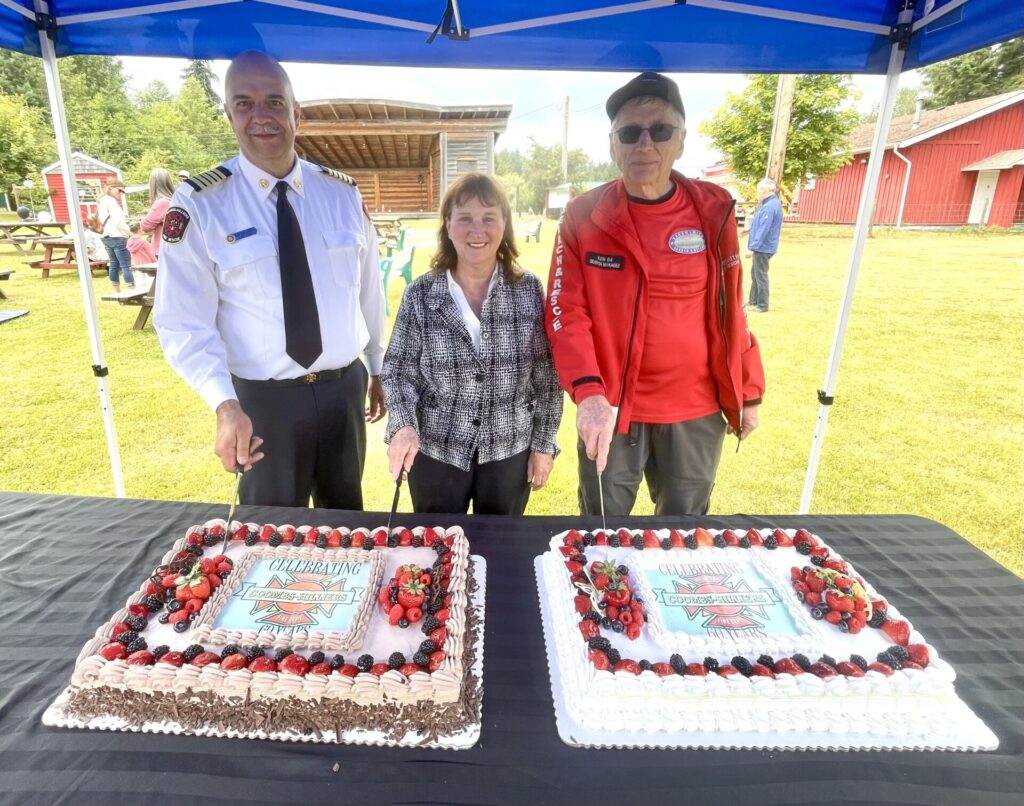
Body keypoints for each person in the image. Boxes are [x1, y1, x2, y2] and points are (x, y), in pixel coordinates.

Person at [153, 50, 387, 509]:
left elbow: (369, 289)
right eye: (244, 103)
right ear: (228, 115)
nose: (261, 115)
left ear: (297, 114)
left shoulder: (341, 194)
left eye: (274, 102)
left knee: (348, 527)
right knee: (269, 533)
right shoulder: (201, 204)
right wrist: (224, 404)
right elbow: (182, 322)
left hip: (343, 393)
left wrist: (377, 367)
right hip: (262, 404)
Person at [545, 71, 765, 517]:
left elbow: (731, 309)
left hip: (695, 410)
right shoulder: (583, 215)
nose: (644, 144)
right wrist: (589, 395)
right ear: (613, 146)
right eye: (629, 133)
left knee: (682, 538)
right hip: (609, 409)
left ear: (681, 141)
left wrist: (749, 389)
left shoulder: (713, 210)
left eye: (660, 130)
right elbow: (566, 311)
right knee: (600, 534)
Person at [381, 173, 562, 515]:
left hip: (509, 449)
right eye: (464, 218)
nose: (477, 230)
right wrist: (403, 426)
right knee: (437, 543)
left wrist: (543, 444)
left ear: (504, 225)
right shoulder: (421, 293)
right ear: (448, 226)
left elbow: (548, 377)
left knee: (501, 544)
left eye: (489, 218)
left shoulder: (528, 290)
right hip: (436, 450)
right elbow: (397, 372)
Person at [745, 178, 783, 313]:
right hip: (762, 246)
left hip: (763, 247)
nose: (757, 192)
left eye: (759, 189)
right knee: (755, 273)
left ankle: (762, 305)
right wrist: (748, 231)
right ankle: (753, 300)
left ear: (765, 190)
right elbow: (759, 224)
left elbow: (764, 229)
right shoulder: (767, 204)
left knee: (760, 275)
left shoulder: (770, 206)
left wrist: (752, 248)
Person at [97, 179, 135, 293]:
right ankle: (132, 291)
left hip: (106, 236)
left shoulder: (101, 201)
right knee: (126, 265)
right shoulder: (111, 201)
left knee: (114, 264)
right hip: (117, 235)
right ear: (111, 188)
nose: (120, 194)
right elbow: (119, 222)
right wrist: (130, 233)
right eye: (119, 190)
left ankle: (117, 291)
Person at [140, 167, 176, 256]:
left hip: (163, 249)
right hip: (174, 247)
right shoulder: (175, 200)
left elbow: (145, 226)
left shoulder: (162, 203)